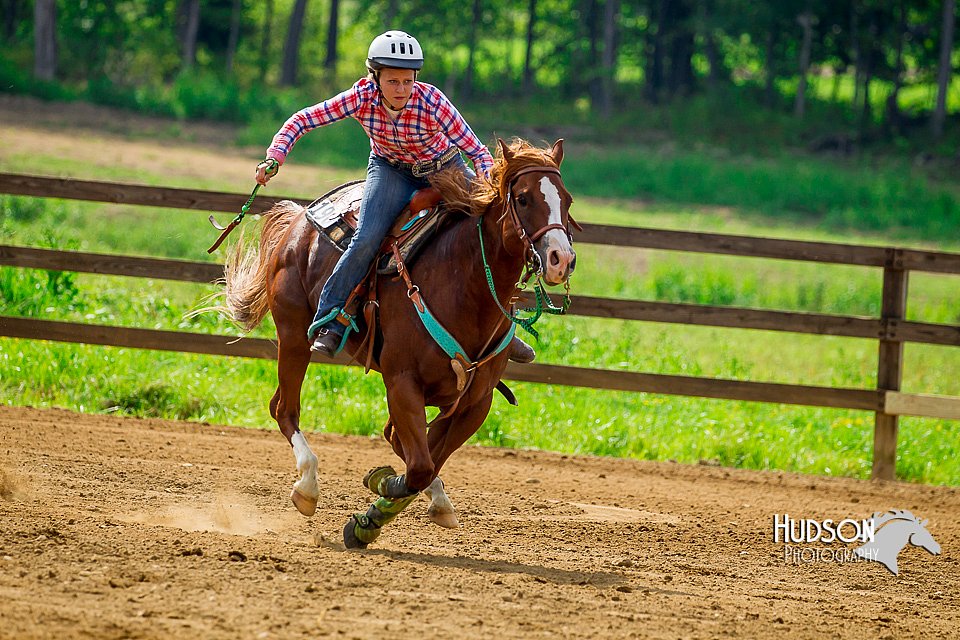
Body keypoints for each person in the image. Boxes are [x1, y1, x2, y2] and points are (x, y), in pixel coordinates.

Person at [256, 30, 535, 363]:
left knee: (485, 233)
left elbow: (475, 149)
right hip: (390, 170)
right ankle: (331, 319)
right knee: (366, 239)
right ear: (375, 77)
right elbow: (304, 119)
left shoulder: (432, 101)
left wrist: (486, 182)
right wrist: (276, 155)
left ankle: (504, 328)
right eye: (393, 81)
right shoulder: (359, 98)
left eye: (407, 80)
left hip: (444, 168)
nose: (401, 89)